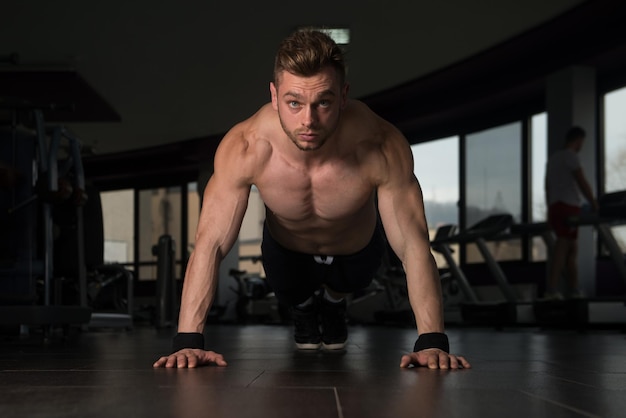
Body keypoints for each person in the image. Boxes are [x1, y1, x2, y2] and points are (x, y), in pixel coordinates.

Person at [153, 30, 470, 370]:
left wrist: (432, 341)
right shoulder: (247, 147)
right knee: (292, 292)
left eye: (323, 102)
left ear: (343, 96)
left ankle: (335, 302)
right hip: (287, 251)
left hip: (357, 252)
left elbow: (413, 244)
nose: (308, 120)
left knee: (351, 281)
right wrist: (188, 341)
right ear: (274, 96)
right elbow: (210, 243)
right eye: (294, 103)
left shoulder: (379, 145)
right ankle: (305, 307)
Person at [544, 126, 598, 300]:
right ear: (578, 140)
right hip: (568, 206)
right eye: (582, 142)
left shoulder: (553, 159)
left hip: (555, 206)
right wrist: (594, 203)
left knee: (571, 250)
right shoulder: (571, 156)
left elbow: (547, 187)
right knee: (563, 248)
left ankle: (574, 289)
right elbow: (581, 181)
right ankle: (551, 290)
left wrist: (549, 209)